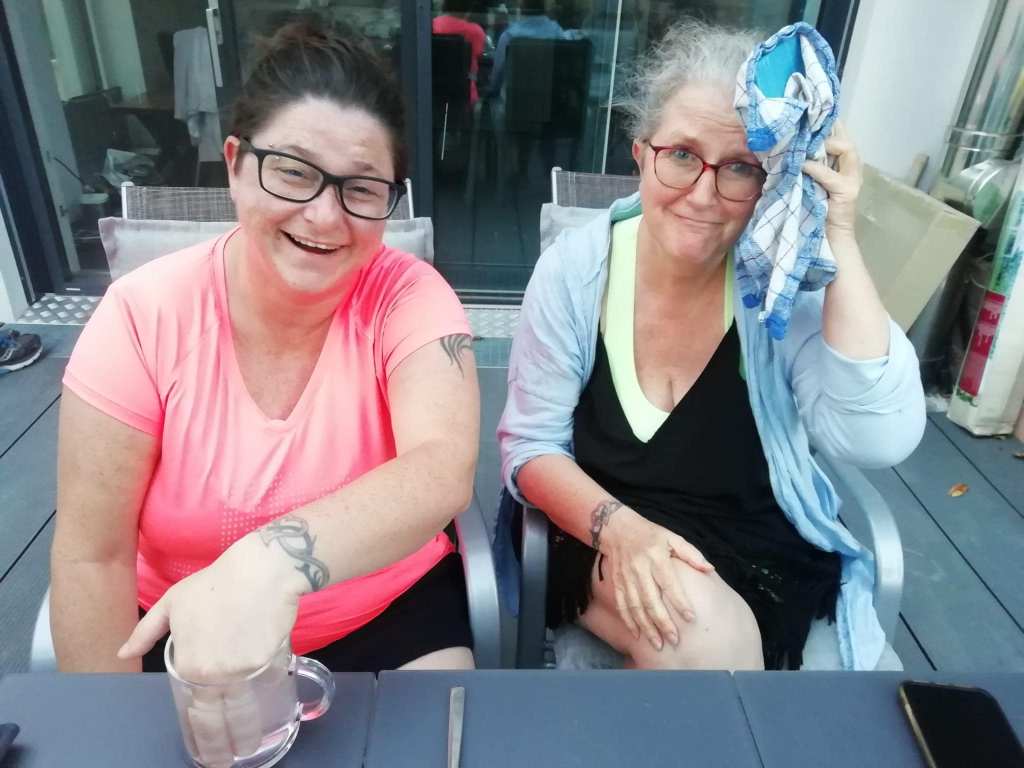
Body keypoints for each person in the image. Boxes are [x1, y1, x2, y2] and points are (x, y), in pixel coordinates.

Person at [51, 21, 480, 680]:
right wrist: (110, 720)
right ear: (235, 165)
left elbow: (440, 468)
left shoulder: (409, 298)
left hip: (384, 613)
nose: (324, 216)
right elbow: (93, 557)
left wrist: (268, 561)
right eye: (293, 172)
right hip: (194, 636)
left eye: (361, 188)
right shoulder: (141, 316)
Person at [497, 19, 925, 671]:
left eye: (741, 168)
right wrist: (622, 531)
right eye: (681, 155)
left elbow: (878, 438)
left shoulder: (779, 284)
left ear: (771, 181)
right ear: (641, 153)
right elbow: (531, 447)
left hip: (754, 531)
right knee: (706, 639)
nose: (703, 195)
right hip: (601, 519)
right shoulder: (576, 273)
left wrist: (836, 231)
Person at [433, 0, 488, 105]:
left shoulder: (433, 25)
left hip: (435, 91)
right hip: (466, 93)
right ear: (469, 6)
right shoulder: (476, 31)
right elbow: (479, 55)